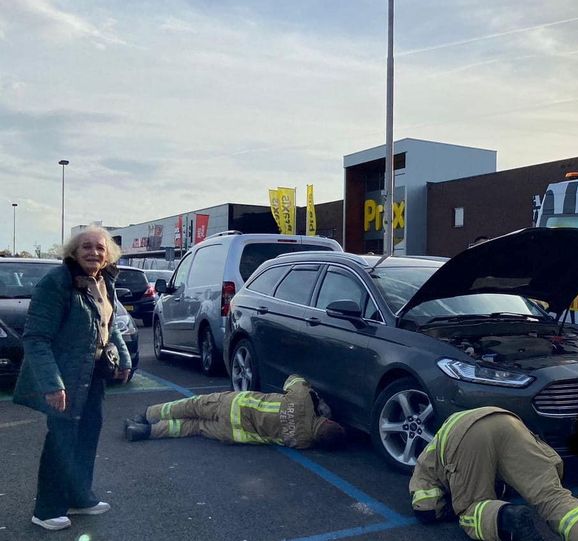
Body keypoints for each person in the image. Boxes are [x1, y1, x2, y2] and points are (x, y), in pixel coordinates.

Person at [13, 227, 133, 531]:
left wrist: (124, 358)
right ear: (73, 252)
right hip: (64, 374)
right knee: (62, 439)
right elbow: (36, 338)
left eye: (100, 248)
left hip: (92, 375)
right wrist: (52, 384)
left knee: (87, 434)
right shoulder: (56, 283)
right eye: (86, 247)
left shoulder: (104, 281)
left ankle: (80, 496)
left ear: (108, 255)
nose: (94, 252)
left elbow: (110, 324)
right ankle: (47, 508)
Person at [409, 406, 578, 541]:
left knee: (469, 511)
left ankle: (507, 518)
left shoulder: (427, 461)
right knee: (552, 496)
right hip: (508, 422)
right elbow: (549, 464)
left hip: (469, 436)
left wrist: (451, 505)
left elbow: (425, 508)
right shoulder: (447, 431)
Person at [123, 375, 345, 449]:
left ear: (325, 420)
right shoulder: (304, 443)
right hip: (232, 433)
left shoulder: (302, 401)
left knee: (188, 406)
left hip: (233, 404)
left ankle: (146, 414)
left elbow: (294, 379)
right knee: (190, 427)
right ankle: (145, 432)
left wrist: (314, 396)